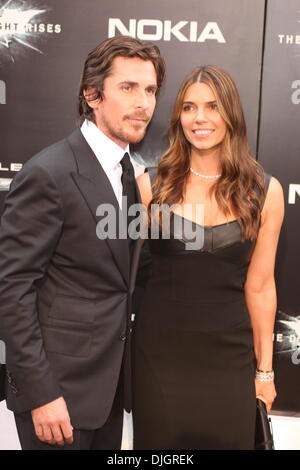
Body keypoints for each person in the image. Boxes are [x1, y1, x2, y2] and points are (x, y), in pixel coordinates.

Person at [0, 35, 165, 450]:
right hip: (57, 397)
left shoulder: (132, 175)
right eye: (127, 88)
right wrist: (42, 395)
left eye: (150, 90)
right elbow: (12, 288)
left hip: (107, 394)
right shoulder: (49, 172)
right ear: (92, 94)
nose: (143, 103)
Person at [133, 65, 284, 450]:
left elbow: (261, 287)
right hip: (158, 362)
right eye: (188, 107)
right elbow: (120, 277)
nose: (199, 118)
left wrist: (264, 372)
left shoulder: (265, 192)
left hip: (229, 363)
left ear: (230, 114)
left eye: (213, 106)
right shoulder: (150, 186)